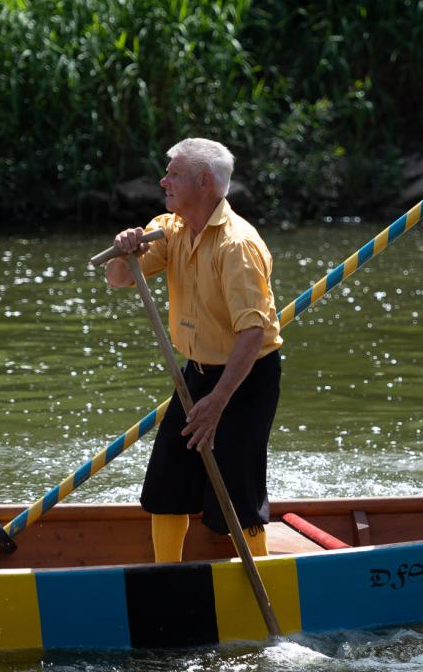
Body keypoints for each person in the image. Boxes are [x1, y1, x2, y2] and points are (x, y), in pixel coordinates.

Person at [105, 137, 283, 560]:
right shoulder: (170, 229)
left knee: (236, 495)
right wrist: (123, 249)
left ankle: (261, 573)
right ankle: (168, 576)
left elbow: (253, 334)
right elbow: (118, 278)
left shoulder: (237, 245)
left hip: (244, 379)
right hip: (196, 375)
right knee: (166, 487)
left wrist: (218, 402)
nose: (163, 180)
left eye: (174, 174)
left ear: (204, 181)